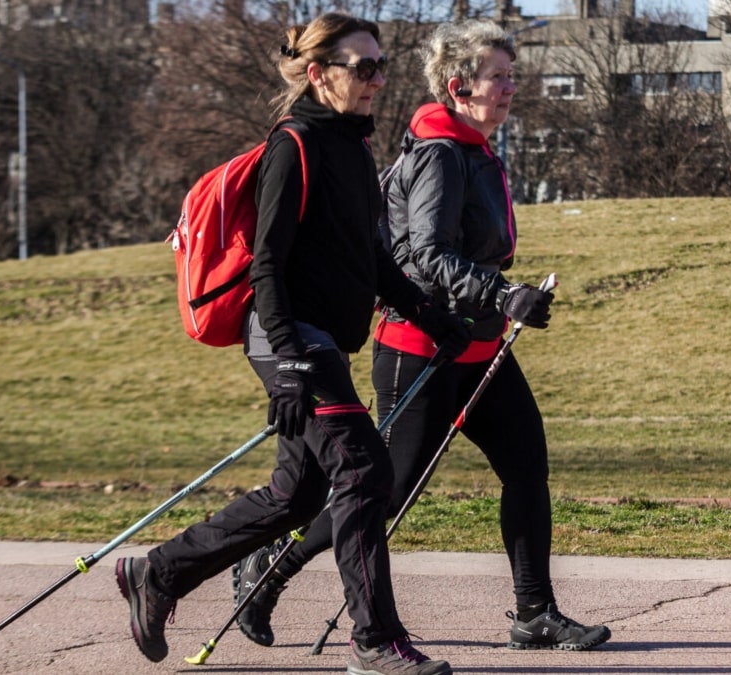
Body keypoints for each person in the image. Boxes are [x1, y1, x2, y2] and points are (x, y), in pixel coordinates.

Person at [230, 19, 612, 653]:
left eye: (512, 75)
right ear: (460, 86)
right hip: (420, 349)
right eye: (500, 77)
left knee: (526, 468)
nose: (512, 87)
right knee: (381, 490)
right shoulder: (440, 153)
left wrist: (503, 297)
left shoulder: (474, 148)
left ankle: (535, 612)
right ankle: (268, 569)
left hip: (479, 345)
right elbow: (425, 255)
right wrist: (499, 293)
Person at [115, 13, 469, 675]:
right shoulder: (295, 144)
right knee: (364, 468)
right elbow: (267, 263)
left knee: (297, 494)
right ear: (318, 73)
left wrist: (430, 315)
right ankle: (375, 641)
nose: (378, 80)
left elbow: (374, 257)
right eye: (364, 68)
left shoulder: (355, 149)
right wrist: (287, 362)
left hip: (316, 339)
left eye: (381, 65)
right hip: (290, 337)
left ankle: (157, 573)